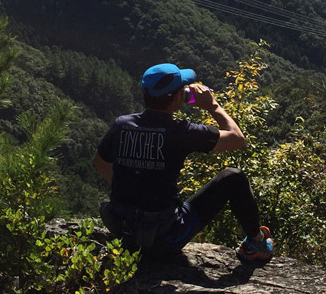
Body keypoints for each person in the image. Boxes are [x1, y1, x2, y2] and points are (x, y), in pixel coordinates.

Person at [93, 62, 273, 263]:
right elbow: (237, 139)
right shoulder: (181, 131)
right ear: (177, 97)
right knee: (234, 177)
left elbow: (100, 162)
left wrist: (133, 190)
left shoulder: (122, 125)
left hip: (124, 233)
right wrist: (212, 106)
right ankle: (255, 244)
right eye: (183, 89)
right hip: (165, 239)